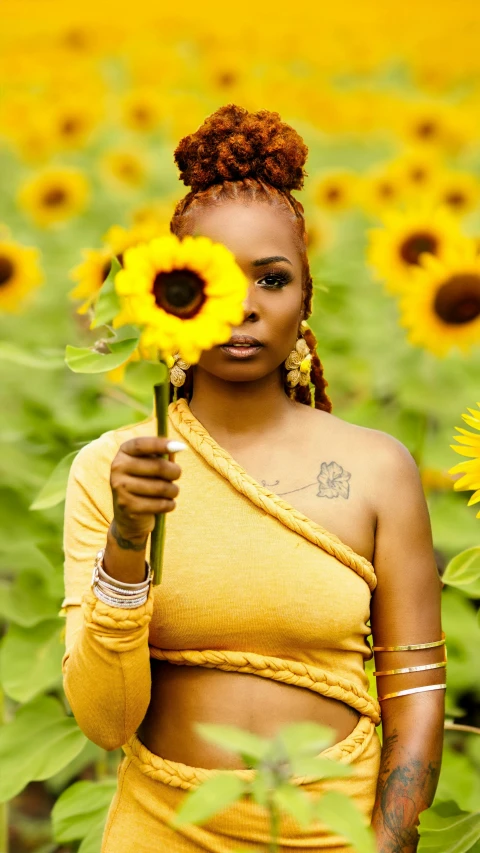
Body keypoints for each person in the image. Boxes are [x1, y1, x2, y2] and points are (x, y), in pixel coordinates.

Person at [61, 104, 445, 852]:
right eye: (213, 281)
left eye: (272, 280)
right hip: (161, 829)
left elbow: (416, 693)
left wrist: (387, 841)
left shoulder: (375, 467)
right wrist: (129, 537)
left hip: (331, 833)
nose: (243, 307)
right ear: (171, 293)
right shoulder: (116, 468)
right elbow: (105, 721)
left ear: (305, 299)